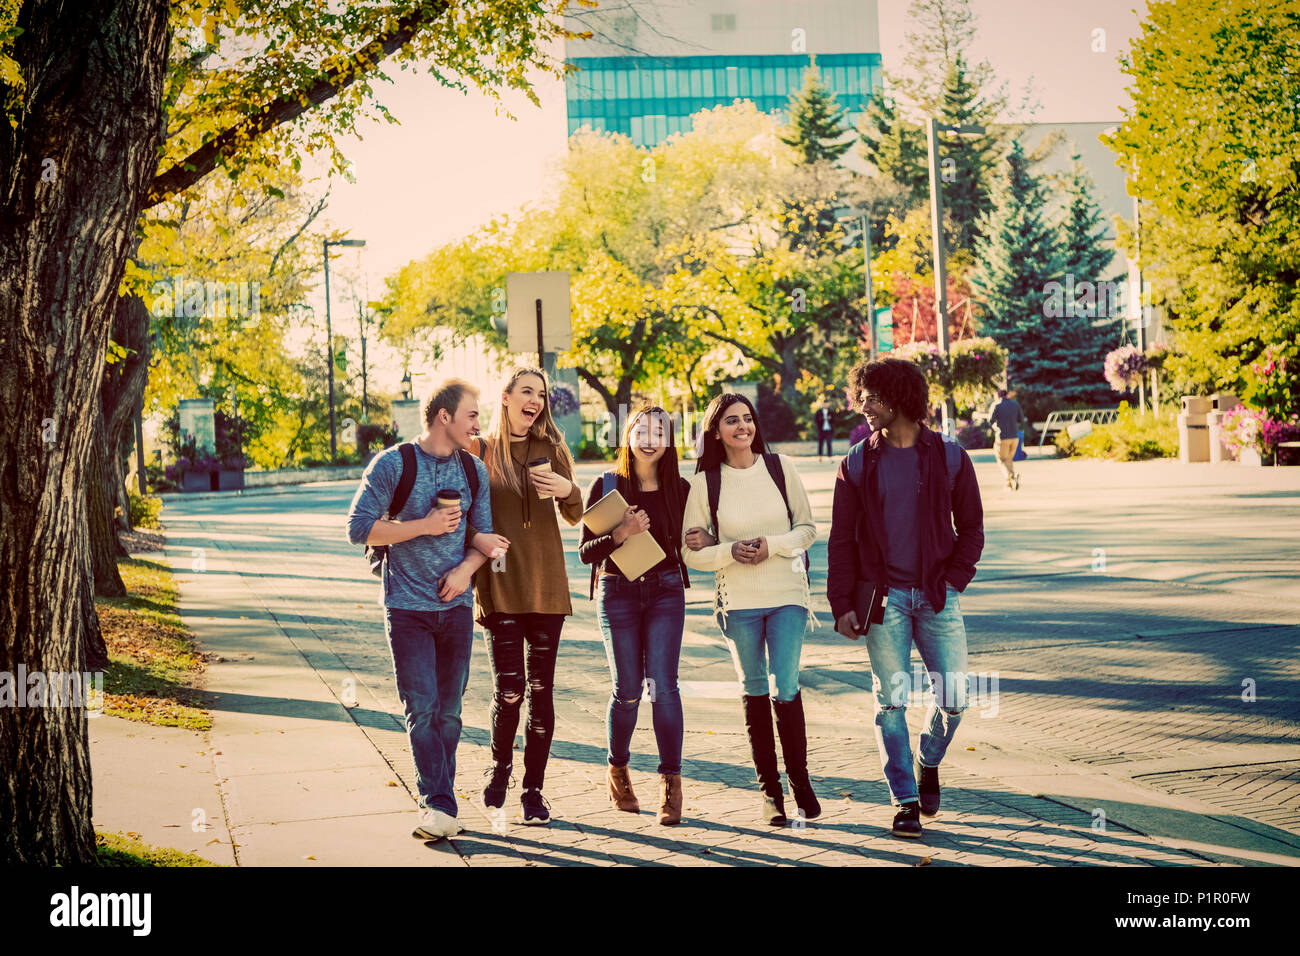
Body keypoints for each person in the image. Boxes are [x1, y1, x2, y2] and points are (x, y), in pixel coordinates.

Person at [827, 358, 984, 839]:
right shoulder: (856, 462)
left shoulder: (950, 456)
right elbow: (841, 540)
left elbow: (972, 528)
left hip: (937, 597)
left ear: (899, 398)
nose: (862, 406)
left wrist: (954, 579)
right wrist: (842, 604)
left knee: (955, 698)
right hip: (883, 601)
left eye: (871, 397)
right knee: (890, 701)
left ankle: (927, 759)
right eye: (861, 396)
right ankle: (905, 800)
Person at [346, 379, 507, 841]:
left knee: (450, 713)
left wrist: (465, 572)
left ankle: (440, 800)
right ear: (445, 417)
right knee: (421, 709)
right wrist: (425, 526)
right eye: (472, 415)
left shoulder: (474, 471)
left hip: (455, 607)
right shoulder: (394, 464)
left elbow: (483, 536)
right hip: (406, 608)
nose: (478, 424)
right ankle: (437, 802)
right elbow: (358, 530)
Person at [681, 393, 820, 826]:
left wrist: (771, 546)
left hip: (787, 596)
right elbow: (691, 554)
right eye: (731, 421)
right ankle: (770, 793)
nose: (742, 427)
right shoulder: (706, 483)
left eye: (747, 419)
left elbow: (808, 529)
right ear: (716, 431)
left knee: (787, 685)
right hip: (737, 602)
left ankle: (800, 781)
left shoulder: (781, 468)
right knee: (755, 689)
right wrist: (728, 551)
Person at [471, 366, 584, 826]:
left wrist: (568, 488)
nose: (534, 400)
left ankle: (533, 791)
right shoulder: (481, 450)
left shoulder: (552, 448)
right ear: (506, 397)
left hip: (547, 586)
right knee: (511, 690)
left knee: (541, 690)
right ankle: (500, 767)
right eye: (526, 392)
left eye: (541, 394)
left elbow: (577, 515)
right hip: (500, 583)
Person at [579, 406, 692, 825]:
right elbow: (584, 552)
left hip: (665, 591)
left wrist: (700, 538)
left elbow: (691, 542)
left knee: (664, 687)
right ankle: (618, 769)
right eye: (640, 430)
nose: (649, 438)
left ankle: (671, 783)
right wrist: (620, 533)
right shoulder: (607, 485)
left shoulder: (678, 488)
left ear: (668, 440)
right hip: (618, 594)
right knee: (627, 688)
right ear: (627, 435)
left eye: (659, 431)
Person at [989, 388, 1024, 490]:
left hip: (1002, 437)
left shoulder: (996, 405)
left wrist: (996, 428)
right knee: (1009, 460)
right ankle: (1009, 485)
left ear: (998, 395)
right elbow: (1021, 419)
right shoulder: (1015, 404)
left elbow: (990, 421)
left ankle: (1012, 476)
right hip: (1015, 436)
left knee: (1001, 459)